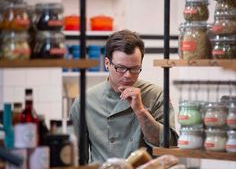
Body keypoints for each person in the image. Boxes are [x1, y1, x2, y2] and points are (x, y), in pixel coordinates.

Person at [69, 29, 178, 163]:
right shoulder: (85, 102)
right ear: (107, 63)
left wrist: (141, 111)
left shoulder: (156, 95)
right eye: (120, 68)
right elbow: (77, 159)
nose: (128, 75)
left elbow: (170, 144)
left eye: (135, 69)